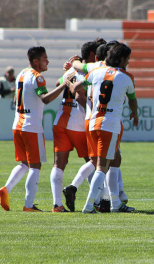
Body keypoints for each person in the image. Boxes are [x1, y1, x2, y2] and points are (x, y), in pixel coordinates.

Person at [0, 46, 72, 212]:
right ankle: (28, 205)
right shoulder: (37, 78)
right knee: (35, 166)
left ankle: (6, 189)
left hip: (17, 124)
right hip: (31, 126)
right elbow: (45, 99)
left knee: (25, 163)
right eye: (45, 58)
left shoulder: (22, 74)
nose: (48, 61)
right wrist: (63, 86)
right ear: (36, 61)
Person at [63, 40, 130, 212]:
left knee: (98, 161)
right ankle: (111, 200)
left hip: (90, 119)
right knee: (109, 161)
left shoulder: (93, 68)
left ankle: (82, 189)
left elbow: (78, 66)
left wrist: (71, 65)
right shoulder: (113, 71)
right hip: (108, 119)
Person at [79, 43, 139, 213]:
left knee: (101, 163)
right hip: (110, 125)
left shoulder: (95, 72)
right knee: (102, 167)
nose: (128, 62)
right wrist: (135, 113)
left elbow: (79, 87)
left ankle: (115, 203)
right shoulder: (127, 77)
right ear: (121, 59)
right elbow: (133, 99)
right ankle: (89, 205)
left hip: (93, 122)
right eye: (127, 59)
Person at [50, 41, 99, 213]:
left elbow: (58, 83)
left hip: (60, 120)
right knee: (92, 161)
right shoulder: (88, 71)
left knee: (59, 164)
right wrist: (94, 110)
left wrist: (67, 70)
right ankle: (97, 200)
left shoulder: (72, 70)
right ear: (93, 55)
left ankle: (57, 205)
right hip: (76, 123)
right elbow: (79, 97)